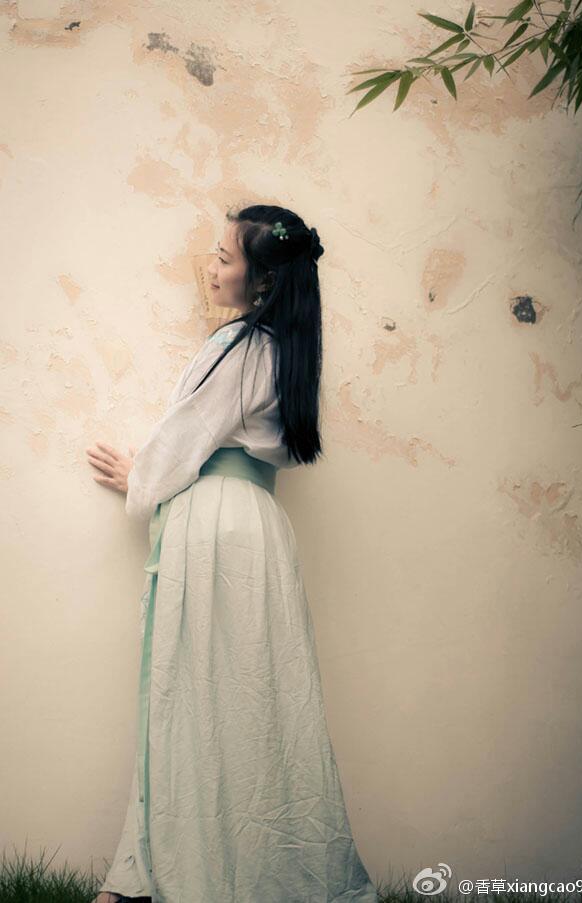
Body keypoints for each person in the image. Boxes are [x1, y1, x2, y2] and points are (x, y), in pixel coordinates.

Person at [86, 204, 378, 903]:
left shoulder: (239, 344)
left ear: (262, 278)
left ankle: (185, 869)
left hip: (213, 523)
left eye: (224, 258)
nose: (211, 268)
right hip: (257, 525)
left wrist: (139, 477)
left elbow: (186, 434)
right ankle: (234, 866)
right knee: (256, 700)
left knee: (195, 696)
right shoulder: (287, 350)